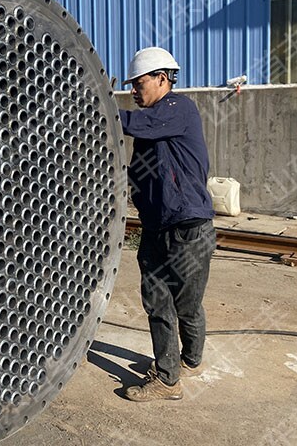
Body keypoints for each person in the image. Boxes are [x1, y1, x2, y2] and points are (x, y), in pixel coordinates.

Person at [118, 47, 217, 402]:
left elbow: (135, 123)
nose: (133, 91)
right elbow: (139, 173)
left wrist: (96, 107)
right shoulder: (152, 129)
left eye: (138, 83)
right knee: (158, 302)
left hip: (188, 227)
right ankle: (167, 377)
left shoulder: (178, 109)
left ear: (162, 78)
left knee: (186, 304)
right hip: (156, 227)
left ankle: (189, 360)